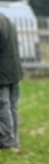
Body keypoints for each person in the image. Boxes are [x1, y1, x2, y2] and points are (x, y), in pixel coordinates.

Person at [0, 13, 22, 149]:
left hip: (2, 71)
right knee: (12, 106)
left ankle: (6, 140)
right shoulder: (6, 19)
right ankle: (13, 138)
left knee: (2, 106)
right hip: (13, 69)